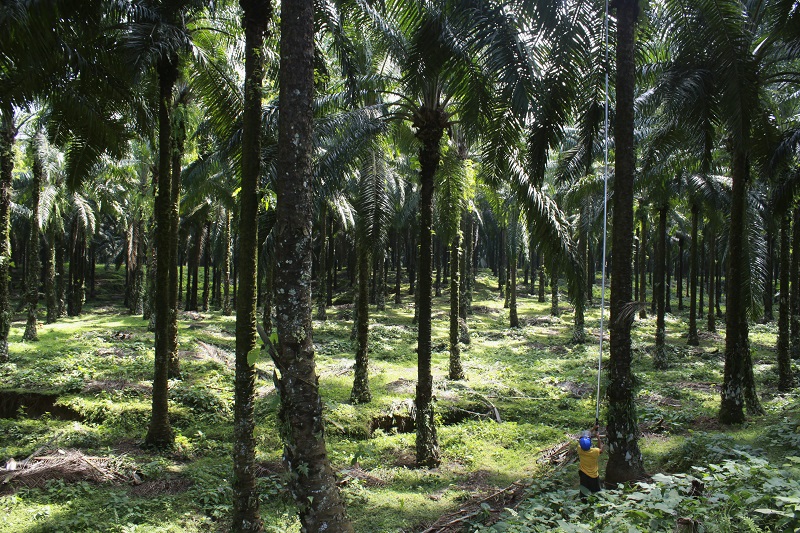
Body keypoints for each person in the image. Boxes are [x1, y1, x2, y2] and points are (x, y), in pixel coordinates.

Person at [577, 424, 603, 499]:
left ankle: (584, 505)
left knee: (584, 494)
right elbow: (600, 450)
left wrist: (592, 429)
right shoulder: (594, 451)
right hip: (594, 475)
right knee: (596, 493)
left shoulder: (579, 449)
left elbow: (581, 438)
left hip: (583, 475)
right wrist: (598, 438)